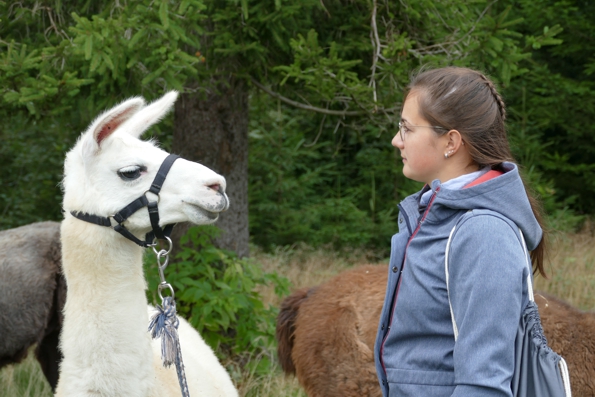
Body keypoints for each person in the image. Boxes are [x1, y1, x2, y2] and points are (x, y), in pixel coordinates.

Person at [374, 66, 548, 397]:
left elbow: (483, 386)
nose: (396, 140)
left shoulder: (484, 233)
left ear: (451, 142)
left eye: (407, 128)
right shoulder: (437, 216)